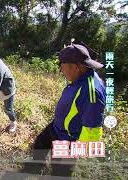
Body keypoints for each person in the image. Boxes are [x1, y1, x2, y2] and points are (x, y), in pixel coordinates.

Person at [21, 43, 106, 177]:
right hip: (57, 127)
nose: (62, 72)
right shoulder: (81, 77)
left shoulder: (91, 92)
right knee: (40, 144)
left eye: (63, 68)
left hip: (68, 139)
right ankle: (36, 169)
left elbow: (92, 129)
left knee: (60, 172)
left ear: (75, 67)